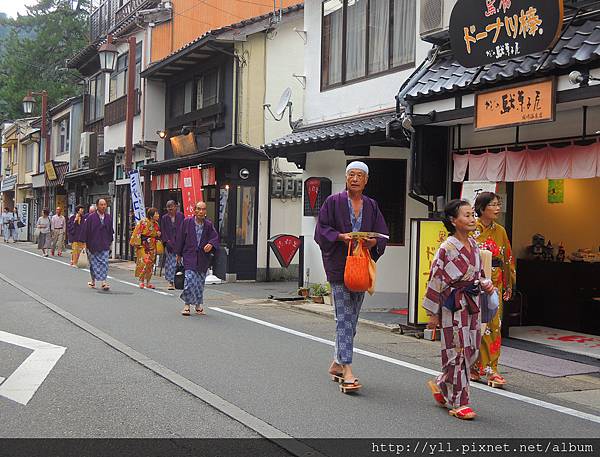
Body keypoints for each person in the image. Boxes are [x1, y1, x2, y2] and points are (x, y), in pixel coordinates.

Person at [314, 161, 388, 392]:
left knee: (352, 319)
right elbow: (321, 231)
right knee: (344, 318)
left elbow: (382, 234)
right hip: (339, 267)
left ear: (366, 180)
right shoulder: (333, 202)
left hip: (361, 266)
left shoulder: (372, 205)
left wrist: (373, 241)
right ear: (346, 178)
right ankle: (347, 369)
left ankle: (336, 363)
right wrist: (339, 237)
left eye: (360, 175)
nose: (355, 179)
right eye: (351, 175)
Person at [423, 199, 494, 420]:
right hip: (452, 305)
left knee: (471, 349)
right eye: (466, 215)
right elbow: (435, 279)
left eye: (473, 214)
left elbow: (479, 274)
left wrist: (485, 283)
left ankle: (443, 384)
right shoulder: (446, 248)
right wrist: (433, 313)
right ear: (453, 221)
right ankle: (459, 402)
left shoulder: (473, 245)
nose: (472, 218)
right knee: (457, 351)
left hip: (471, 303)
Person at [471, 192, 516, 388]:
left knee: (493, 325)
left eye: (499, 204)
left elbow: (507, 257)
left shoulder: (500, 231)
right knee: (475, 325)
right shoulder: (471, 229)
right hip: (473, 283)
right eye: (493, 205)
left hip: (494, 282)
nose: (498, 208)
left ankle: (491, 369)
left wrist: (508, 283)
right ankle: (473, 366)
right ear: (482, 208)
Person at [175, 201, 219, 316]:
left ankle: (198, 305)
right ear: (194, 210)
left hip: (203, 257)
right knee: (189, 280)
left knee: (199, 282)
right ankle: (187, 305)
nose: (201, 211)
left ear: (205, 211)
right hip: (189, 255)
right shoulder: (187, 222)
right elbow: (180, 238)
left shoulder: (208, 224)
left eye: (203, 209)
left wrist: (211, 244)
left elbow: (214, 237)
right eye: (198, 209)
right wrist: (178, 254)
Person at [82, 198, 113, 291]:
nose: (103, 206)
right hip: (93, 245)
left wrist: (110, 242)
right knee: (93, 264)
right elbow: (86, 231)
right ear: (97, 206)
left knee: (104, 263)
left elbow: (110, 231)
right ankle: (93, 281)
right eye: (101, 205)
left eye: (105, 204)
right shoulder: (91, 218)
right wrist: (85, 244)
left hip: (104, 244)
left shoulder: (108, 217)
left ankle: (104, 282)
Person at [130, 207, 162, 289]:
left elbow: (157, 234)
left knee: (150, 264)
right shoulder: (143, 222)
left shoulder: (156, 224)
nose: (158, 215)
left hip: (152, 245)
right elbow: (137, 232)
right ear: (151, 216)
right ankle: (141, 281)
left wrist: (158, 234)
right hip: (143, 246)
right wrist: (137, 243)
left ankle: (148, 282)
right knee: (144, 262)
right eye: (156, 214)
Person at [160, 200, 184, 290]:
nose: (170, 209)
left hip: (180, 242)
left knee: (180, 262)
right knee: (170, 263)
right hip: (169, 243)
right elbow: (163, 231)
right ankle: (170, 282)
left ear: (176, 207)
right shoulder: (164, 218)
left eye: (172, 207)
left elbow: (183, 228)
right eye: (168, 207)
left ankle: (180, 281)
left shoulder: (181, 216)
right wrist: (167, 241)